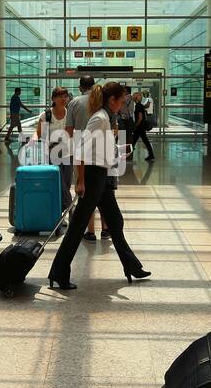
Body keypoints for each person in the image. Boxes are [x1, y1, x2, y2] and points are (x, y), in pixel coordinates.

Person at [46, 82, 149, 290]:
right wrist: (81, 181)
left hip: (100, 177)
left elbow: (98, 149)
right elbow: (81, 151)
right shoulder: (100, 118)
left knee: (115, 221)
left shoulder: (104, 118)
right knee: (76, 227)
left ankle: (132, 266)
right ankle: (58, 272)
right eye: (121, 101)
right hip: (92, 178)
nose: (122, 105)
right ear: (111, 100)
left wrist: (119, 149)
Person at [65, 75, 100, 241]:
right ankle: (106, 229)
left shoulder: (74, 103)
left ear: (80, 87)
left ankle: (89, 230)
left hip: (81, 151)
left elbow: (69, 130)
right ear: (93, 86)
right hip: (101, 150)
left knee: (82, 187)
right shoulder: (101, 101)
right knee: (101, 188)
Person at [35, 86, 74, 223]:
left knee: (66, 185)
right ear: (53, 99)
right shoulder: (47, 115)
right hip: (52, 154)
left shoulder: (70, 114)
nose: (64, 99)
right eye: (60, 96)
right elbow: (40, 134)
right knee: (59, 184)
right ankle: (71, 210)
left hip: (69, 153)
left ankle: (60, 215)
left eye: (65, 96)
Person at [132, 91, 156, 161]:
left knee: (134, 141)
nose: (132, 97)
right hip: (141, 127)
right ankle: (151, 155)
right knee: (143, 141)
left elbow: (140, 118)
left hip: (139, 127)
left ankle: (127, 155)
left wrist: (135, 125)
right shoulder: (140, 105)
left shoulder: (138, 106)